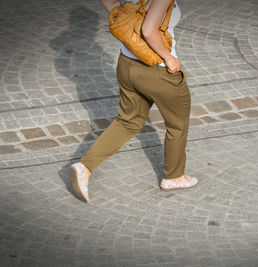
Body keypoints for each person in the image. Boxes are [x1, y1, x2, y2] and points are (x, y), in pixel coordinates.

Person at [69, 0, 197, 202]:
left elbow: (112, 5)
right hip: (158, 70)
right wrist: (169, 58)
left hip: (127, 64)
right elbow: (148, 30)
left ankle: (84, 167)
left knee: (128, 121)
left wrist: (120, 14)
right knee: (177, 125)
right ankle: (173, 177)